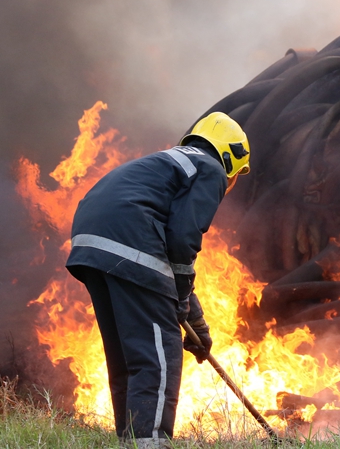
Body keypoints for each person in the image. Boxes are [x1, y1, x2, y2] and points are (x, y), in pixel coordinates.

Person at [66, 112, 251, 448]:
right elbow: (182, 240)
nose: (231, 182)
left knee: (128, 357)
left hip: (90, 245)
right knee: (158, 357)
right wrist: (177, 304)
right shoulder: (210, 168)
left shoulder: (169, 162)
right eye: (235, 174)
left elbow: (169, 263)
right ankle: (150, 443)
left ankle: (131, 440)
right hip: (130, 240)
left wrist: (196, 322)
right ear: (229, 156)